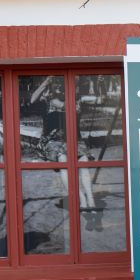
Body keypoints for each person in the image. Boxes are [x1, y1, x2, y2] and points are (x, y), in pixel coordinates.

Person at [29, 76, 101, 231]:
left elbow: (97, 99)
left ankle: (91, 202)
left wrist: (95, 84)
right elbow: (32, 99)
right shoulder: (47, 101)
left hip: (75, 139)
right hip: (54, 140)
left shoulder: (76, 101)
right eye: (59, 86)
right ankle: (82, 200)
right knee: (64, 162)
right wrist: (46, 82)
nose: (61, 89)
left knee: (84, 164)